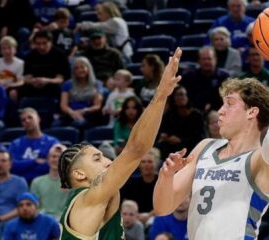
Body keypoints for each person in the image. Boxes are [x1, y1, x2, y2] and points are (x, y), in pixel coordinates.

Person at [153, 28, 269, 239]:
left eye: (229, 104)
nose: (220, 111)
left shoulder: (261, 160)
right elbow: (162, 208)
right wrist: (166, 177)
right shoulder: (205, 147)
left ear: (252, 112)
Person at [57, 48, 182, 239]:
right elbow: (136, 150)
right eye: (97, 158)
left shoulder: (98, 200)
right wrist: (161, 95)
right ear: (79, 174)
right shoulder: (87, 198)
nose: (108, 160)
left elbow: (135, 148)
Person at [9, 108, 59, 183]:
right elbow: (12, 166)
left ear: (38, 119)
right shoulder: (15, 144)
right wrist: (35, 162)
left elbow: (52, 165)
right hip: (20, 183)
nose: (27, 121)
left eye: (30, 117)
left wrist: (24, 166)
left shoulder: (52, 142)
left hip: (45, 182)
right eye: (23, 120)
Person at [57, 57, 104, 129]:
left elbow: (97, 105)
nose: (80, 70)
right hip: (70, 114)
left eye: (82, 67)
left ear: (88, 68)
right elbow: (63, 105)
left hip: (89, 114)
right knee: (56, 125)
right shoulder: (67, 84)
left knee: (80, 124)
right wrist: (73, 113)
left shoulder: (97, 84)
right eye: (76, 68)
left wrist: (83, 111)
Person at [121, 147, 161, 224]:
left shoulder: (161, 181)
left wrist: (148, 216)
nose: (146, 165)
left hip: (155, 216)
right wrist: (134, 215)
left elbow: (164, 204)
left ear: (156, 163)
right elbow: (125, 202)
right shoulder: (131, 182)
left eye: (150, 162)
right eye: (143, 162)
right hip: (134, 216)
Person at [30, 144, 68, 220]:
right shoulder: (36, 182)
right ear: (48, 159)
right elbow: (33, 207)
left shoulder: (72, 183)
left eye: (60, 157)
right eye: (53, 156)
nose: (56, 160)